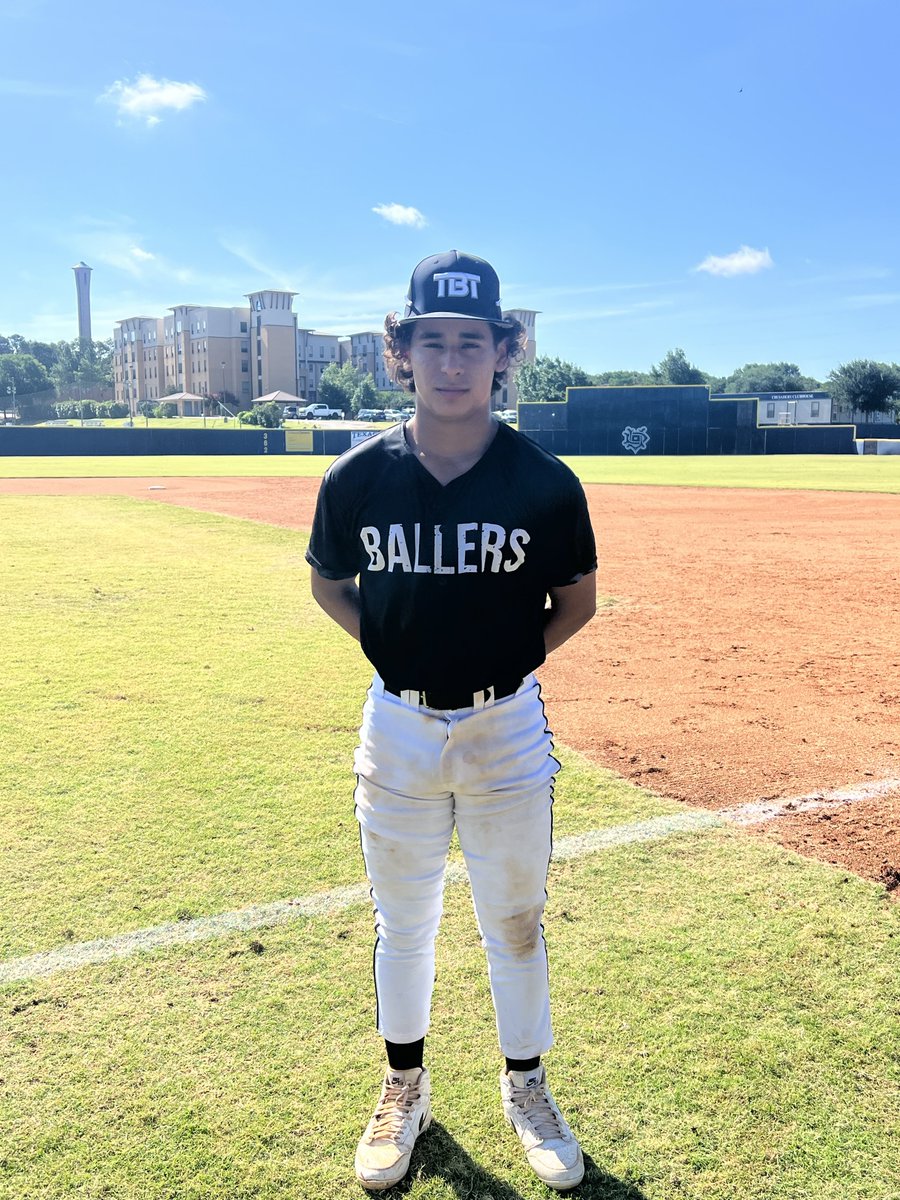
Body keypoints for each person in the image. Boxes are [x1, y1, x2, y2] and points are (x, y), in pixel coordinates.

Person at [306, 250, 597, 1191]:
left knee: (515, 920)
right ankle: (405, 1088)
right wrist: (398, 655)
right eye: (432, 342)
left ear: (505, 350)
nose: (453, 362)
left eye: (473, 342)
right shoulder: (356, 477)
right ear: (402, 352)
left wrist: (495, 668)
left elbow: (575, 602)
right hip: (394, 728)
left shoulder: (545, 481)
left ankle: (528, 1088)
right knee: (405, 923)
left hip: (507, 726)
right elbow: (330, 583)